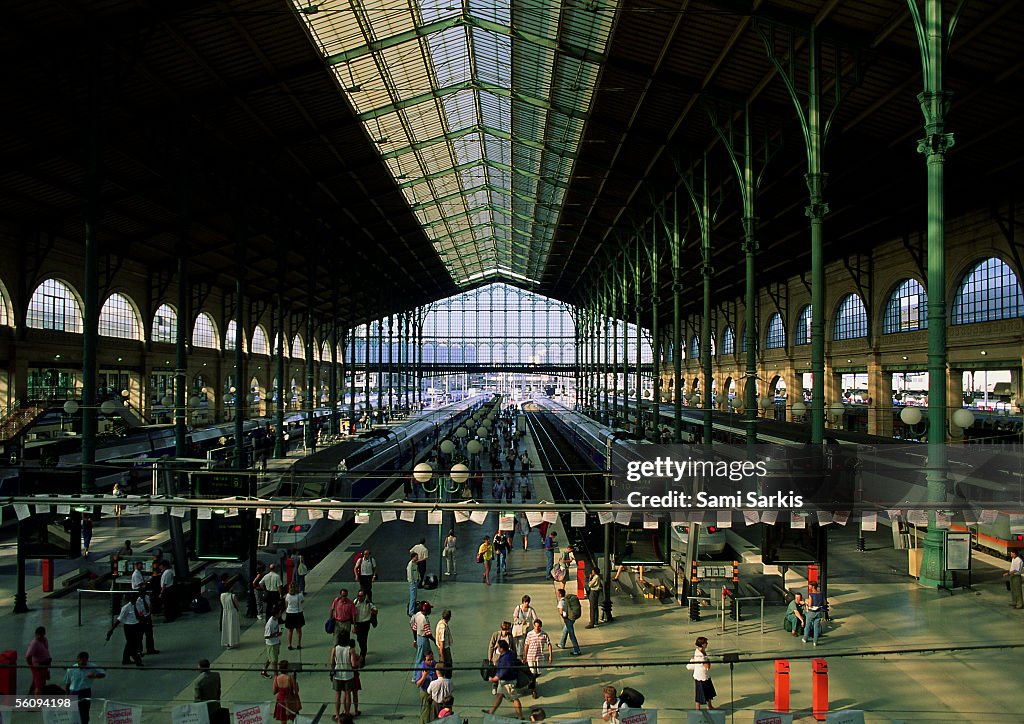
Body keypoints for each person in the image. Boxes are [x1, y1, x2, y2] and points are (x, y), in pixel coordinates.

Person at [484, 639, 523, 719]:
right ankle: (491, 712)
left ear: (501, 648)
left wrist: (493, 679)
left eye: (498, 647)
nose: (497, 648)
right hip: (505, 681)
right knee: (499, 695)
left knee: (514, 698)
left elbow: (503, 671)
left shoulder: (506, 659)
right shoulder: (509, 653)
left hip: (508, 681)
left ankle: (520, 717)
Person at [63, 651, 105, 724]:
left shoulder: (92, 666)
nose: (83, 665)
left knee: (85, 713)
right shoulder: (71, 669)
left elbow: (103, 674)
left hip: (85, 692)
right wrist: (66, 695)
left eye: (84, 662)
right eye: (81, 662)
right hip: (73, 692)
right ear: (78, 660)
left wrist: (94, 676)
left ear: (87, 660)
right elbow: (67, 683)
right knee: (73, 714)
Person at [330, 633, 361, 721]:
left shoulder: (335, 649)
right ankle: (347, 713)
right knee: (347, 694)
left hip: (337, 674)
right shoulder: (351, 650)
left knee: (337, 694)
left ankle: (337, 715)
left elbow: (331, 662)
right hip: (348, 674)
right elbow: (353, 664)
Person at [108, 593, 144, 667]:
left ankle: (126, 659)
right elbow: (119, 619)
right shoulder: (126, 607)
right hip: (129, 627)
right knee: (132, 644)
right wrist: (112, 629)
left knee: (131, 643)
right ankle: (137, 660)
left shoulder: (138, 604)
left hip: (136, 625)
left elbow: (141, 614)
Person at [523, 619, 552, 698]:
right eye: (535, 626)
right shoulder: (529, 634)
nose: (537, 628)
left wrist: (550, 655)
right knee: (533, 672)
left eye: (538, 626)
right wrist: (525, 656)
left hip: (539, 657)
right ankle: (533, 688)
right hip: (531, 656)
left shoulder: (544, 634)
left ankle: (531, 683)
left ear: (540, 626)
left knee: (538, 672)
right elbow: (526, 645)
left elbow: (549, 644)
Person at [486, 621, 515, 695]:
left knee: (504, 671)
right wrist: (490, 656)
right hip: (497, 656)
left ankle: (503, 687)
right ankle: (494, 686)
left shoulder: (510, 636)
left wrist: (515, 656)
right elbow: (491, 646)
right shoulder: (496, 635)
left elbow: (513, 646)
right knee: (496, 672)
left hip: (506, 657)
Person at [688, 636, 716, 710]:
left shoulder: (699, 650)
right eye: (706, 643)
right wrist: (709, 661)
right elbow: (707, 666)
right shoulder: (700, 655)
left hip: (704, 675)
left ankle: (709, 705)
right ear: (703, 644)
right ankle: (698, 709)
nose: (707, 644)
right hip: (701, 676)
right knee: (700, 693)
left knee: (708, 692)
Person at [25, 626, 51, 694]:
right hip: (37, 666)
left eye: (42, 635)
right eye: (39, 635)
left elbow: (46, 651)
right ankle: (38, 703)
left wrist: (48, 666)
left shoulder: (45, 640)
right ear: (36, 634)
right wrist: (32, 666)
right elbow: (28, 656)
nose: (40, 637)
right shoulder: (34, 643)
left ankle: (31, 696)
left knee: (42, 683)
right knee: (38, 686)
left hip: (45, 665)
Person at [414, 650, 438, 724]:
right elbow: (418, 684)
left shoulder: (435, 665)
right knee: (426, 711)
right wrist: (423, 677)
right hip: (425, 692)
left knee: (434, 711)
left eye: (432, 659)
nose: (431, 661)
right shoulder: (421, 668)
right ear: (424, 660)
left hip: (434, 692)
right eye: (429, 660)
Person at [353, 588, 377, 660]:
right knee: (359, 639)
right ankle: (363, 650)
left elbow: (375, 610)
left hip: (365, 623)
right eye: (358, 596)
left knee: (363, 639)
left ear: (364, 596)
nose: (359, 597)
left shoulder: (368, 603)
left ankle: (362, 655)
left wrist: (373, 611)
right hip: (358, 623)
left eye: (361, 596)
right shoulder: (355, 602)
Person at [556, 589, 582, 656]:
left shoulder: (561, 602)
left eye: (558, 593)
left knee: (572, 635)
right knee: (565, 630)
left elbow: (561, 612)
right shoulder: (567, 600)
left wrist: (563, 618)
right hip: (572, 617)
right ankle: (561, 644)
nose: (557, 594)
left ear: (560, 594)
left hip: (568, 619)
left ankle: (577, 650)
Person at [135, 584, 159, 655]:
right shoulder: (138, 601)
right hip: (142, 619)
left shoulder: (147, 597)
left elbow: (150, 607)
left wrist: (149, 614)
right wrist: (144, 618)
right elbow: (139, 612)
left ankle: (150, 649)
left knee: (149, 634)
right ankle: (139, 650)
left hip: (148, 617)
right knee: (140, 635)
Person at [411, 601, 435, 666]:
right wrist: (435, 640)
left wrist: (415, 640)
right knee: (420, 657)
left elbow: (414, 628)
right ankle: (416, 675)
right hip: (423, 639)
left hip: (419, 638)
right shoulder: (424, 619)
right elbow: (428, 634)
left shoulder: (418, 614)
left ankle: (430, 670)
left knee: (429, 655)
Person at [262, 608, 284, 678]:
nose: (281, 614)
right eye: (280, 613)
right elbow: (266, 636)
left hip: (276, 642)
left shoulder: (276, 619)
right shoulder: (269, 624)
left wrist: (278, 638)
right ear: (276, 614)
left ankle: (264, 671)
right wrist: (276, 635)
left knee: (270, 657)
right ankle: (276, 677)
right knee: (274, 661)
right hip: (271, 644)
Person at [284, 581, 305, 650]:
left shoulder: (288, 595)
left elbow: (286, 605)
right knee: (299, 630)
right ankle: (298, 644)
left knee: (290, 630)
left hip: (290, 613)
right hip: (298, 613)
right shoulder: (300, 595)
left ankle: (289, 645)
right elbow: (302, 601)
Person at [220, 583, 241, 649]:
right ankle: (233, 642)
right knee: (233, 627)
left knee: (226, 627)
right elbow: (237, 605)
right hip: (232, 612)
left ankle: (227, 642)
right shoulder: (233, 596)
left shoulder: (221, 595)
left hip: (225, 612)